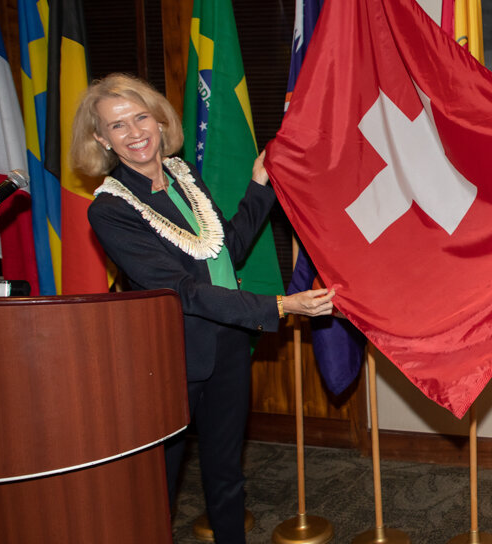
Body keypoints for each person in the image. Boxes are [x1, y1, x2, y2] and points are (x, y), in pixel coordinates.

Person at [71, 73, 335, 543]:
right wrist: (278, 304)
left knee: (227, 470)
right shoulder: (109, 208)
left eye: (140, 117)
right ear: (100, 138)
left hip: (227, 343)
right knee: (158, 481)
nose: (134, 133)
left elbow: (225, 251)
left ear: (158, 119)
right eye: (117, 126)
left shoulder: (182, 176)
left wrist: (260, 185)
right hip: (168, 358)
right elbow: (181, 290)